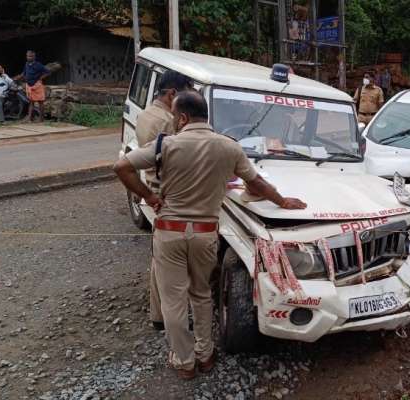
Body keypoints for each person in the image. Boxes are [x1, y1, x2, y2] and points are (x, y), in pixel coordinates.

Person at [113, 91, 307, 379]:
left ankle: (184, 362)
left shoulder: (165, 145)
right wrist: (282, 202)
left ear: (182, 118)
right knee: (202, 294)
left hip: (169, 233)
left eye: (174, 117)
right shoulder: (229, 147)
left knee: (173, 300)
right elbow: (256, 182)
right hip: (205, 234)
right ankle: (205, 355)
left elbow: (122, 167)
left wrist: (150, 197)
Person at [135, 70, 193, 332]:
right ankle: (176, 323)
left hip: (153, 189)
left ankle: (158, 314)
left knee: (159, 257)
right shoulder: (168, 122)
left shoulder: (146, 114)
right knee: (174, 265)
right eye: (185, 94)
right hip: (168, 195)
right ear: (172, 94)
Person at [14, 50, 50, 123]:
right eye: (27, 56)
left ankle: (41, 119)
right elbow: (24, 73)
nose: (28, 57)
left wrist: (40, 78)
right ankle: (29, 118)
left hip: (37, 85)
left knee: (40, 102)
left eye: (30, 56)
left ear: (34, 57)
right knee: (31, 102)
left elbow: (48, 72)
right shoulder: (27, 64)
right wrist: (18, 77)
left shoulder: (38, 65)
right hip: (29, 86)